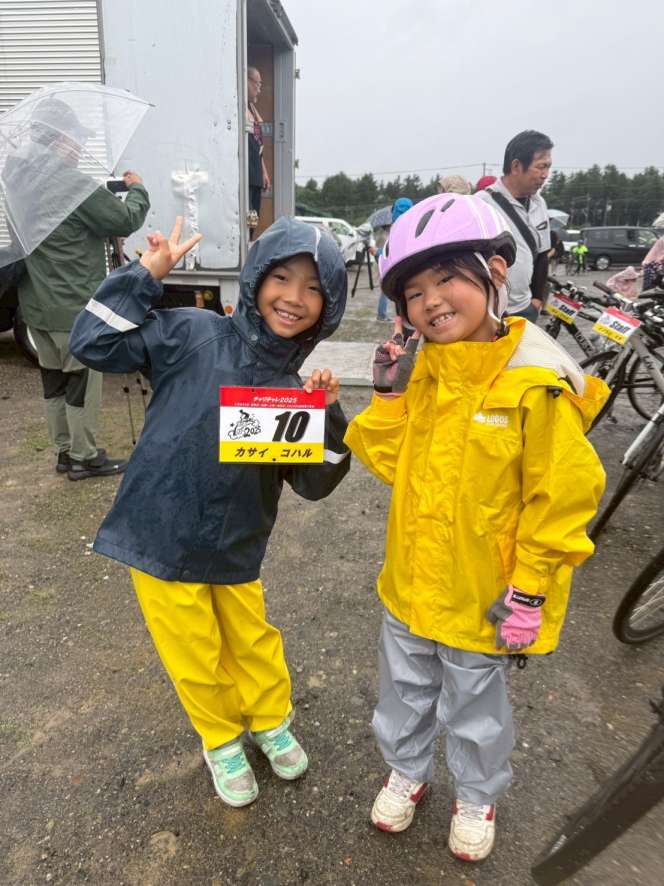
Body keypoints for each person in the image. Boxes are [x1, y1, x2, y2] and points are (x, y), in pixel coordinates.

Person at [344, 194, 608, 862]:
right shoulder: (425, 371)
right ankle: (407, 771)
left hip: (482, 594)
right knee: (403, 695)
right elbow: (394, 466)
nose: (430, 301)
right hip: (410, 583)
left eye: (445, 279)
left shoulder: (535, 382)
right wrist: (388, 399)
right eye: (413, 292)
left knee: (475, 707)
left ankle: (475, 794)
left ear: (494, 272)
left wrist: (531, 586)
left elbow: (563, 496)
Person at [70, 215, 350, 808]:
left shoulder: (293, 390)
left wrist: (326, 413)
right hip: (159, 533)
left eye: (313, 288)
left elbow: (314, 484)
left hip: (236, 542)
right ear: (255, 279)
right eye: (281, 278)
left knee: (252, 639)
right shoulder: (192, 332)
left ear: (328, 306)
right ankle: (220, 738)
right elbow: (92, 343)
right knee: (193, 649)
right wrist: (144, 277)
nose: (294, 297)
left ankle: (270, 721)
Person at [16, 98, 150, 480]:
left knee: (53, 381)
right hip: (73, 304)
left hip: (35, 303)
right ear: (60, 139)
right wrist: (138, 189)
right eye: (77, 138)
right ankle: (84, 456)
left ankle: (64, 451)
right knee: (82, 382)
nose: (80, 147)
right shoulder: (71, 183)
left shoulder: (17, 178)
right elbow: (125, 218)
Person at [477, 130, 553, 321]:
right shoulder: (482, 204)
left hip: (526, 307)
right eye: (541, 167)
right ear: (516, 166)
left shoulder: (539, 204)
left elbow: (543, 254)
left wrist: (537, 300)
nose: (545, 175)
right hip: (489, 310)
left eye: (548, 167)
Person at [375, 198, 414, 322]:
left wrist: (377, 252)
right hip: (411, 270)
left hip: (394, 269)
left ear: (394, 210)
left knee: (388, 291)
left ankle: (391, 318)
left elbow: (390, 251)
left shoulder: (394, 228)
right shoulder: (414, 225)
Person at [246, 66, 270, 236]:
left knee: (254, 217)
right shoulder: (238, 106)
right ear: (246, 81)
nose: (259, 89)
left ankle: (250, 238)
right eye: (257, 84)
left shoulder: (253, 110)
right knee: (247, 215)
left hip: (256, 177)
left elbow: (258, 145)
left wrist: (264, 172)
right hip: (246, 177)